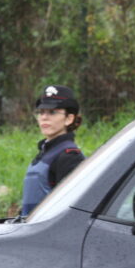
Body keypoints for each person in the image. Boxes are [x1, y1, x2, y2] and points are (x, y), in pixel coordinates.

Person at [20, 84, 85, 217]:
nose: (44, 117)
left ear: (69, 118)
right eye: (41, 112)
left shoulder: (70, 156)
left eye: (52, 112)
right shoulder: (47, 151)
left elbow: (70, 210)